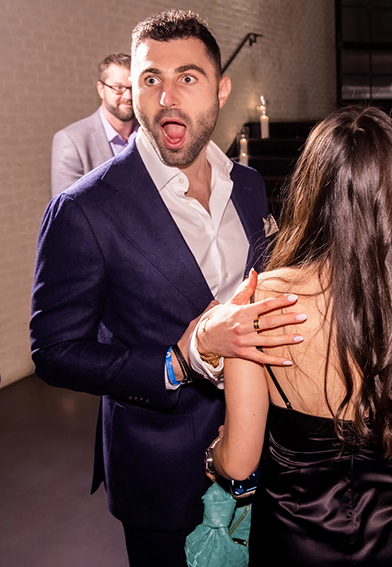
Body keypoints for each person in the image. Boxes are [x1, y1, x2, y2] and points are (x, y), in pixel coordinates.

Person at [31, 10, 304, 567]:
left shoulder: (249, 186)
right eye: (151, 79)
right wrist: (179, 360)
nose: (167, 98)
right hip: (161, 473)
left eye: (188, 77)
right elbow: (54, 352)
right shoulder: (84, 209)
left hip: (266, 455)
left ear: (221, 91)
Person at [209, 106, 392, 566]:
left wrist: (214, 456)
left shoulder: (260, 302)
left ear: (312, 187)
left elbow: (239, 462)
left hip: (296, 538)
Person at [51, 53, 140, 196]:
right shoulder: (71, 141)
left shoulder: (151, 134)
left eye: (133, 87)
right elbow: (67, 207)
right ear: (101, 89)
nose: (128, 96)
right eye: (118, 88)